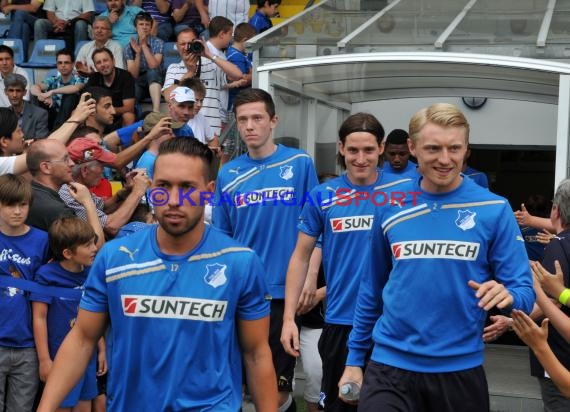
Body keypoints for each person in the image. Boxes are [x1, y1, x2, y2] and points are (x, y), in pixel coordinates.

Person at [37, 138, 278, 411]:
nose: (174, 200)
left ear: (209, 192)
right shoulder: (115, 257)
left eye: (187, 187)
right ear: (152, 190)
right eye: (164, 186)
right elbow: (82, 339)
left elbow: (257, 354)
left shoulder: (240, 262)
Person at [339, 103, 535, 412]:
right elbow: (371, 288)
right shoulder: (390, 204)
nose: (445, 159)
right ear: (413, 148)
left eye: (454, 148)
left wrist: (508, 295)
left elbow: (525, 293)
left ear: (466, 149)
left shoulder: (494, 209)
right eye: (433, 148)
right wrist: (353, 359)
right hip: (389, 366)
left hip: (459, 370)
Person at [281, 113, 412, 412]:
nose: (361, 158)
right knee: (342, 405)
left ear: (381, 148)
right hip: (341, 324)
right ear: (341, 148)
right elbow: (300, 256)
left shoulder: (406, 193)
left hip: (393, 324)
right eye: (353, 150)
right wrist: (289, 318)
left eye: (368, 150)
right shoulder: (323, 195)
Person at [214, 88, 319, 412]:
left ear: (273, 120)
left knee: (275, 390)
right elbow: (221, 238)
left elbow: (318, 229)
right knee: (240, 385)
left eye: (257, 118)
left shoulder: (300, 163)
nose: (249, 126)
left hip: (282, 295)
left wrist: (311, 277)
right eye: (243, 119)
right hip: (242, 294)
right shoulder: (228, 173)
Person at [31, 216, 106, 412]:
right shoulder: (46, 275)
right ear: (67, 252)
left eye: (93, 242)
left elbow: (94, 315)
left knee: (84, 406)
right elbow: (39, 318)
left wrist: (102, 349)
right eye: (88, 245)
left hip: (88, 356)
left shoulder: (91, 273)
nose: (94, 249)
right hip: (59, 357)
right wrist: (44, 359)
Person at [0, 173, 50, 412]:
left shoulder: (43, 240)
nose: (17, 211)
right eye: (10, 204)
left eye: (23, 205)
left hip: (28, 344)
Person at [59, 137, 151, 238]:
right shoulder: (69, 193)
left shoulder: (77, 186)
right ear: (85, 170)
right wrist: (137, 192)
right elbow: (111, 226)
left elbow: (102, 207)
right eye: (101, 165)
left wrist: (126, 190)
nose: (103, 170)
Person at [31, 48, 86, 130]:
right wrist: (42, 95)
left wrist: (52, 92)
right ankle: (39, 130)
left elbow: (76, 88)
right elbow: (34, 87)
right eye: (60, 63)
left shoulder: (80, 79)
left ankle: (57, 131)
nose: (63, 65)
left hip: (71, 117)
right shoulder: (54, 79)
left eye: (66, 62)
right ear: (57, 65)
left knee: (70, 96)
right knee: (35, 96)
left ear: (72, 64)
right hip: (54, 115)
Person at [124, 10, 164, 114]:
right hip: (139, 80)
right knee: (132, 86)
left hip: (157, 79)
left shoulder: (158, 42)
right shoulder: (129, 47)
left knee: (152, 72)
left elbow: (154, 65)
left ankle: (156, 111)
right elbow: (133, 75)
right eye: (141, 24)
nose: (144, 27)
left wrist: (144, 46)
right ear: (135, 27)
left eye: (147, 25)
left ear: (151, 27)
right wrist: (137, 53)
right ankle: (136, 116)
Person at [86, 48, 136, 127]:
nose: (103, 64)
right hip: (100, 118)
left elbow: (129, 108)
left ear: (113, 61)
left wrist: (106, 111)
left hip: (119, 116)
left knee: (128, 116)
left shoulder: (126, 76)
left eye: (105, 60)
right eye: (98, 62)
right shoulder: (93, 78)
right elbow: (87, 103)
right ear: (95, 66)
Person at [4, 73, 49, 141]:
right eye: (11, 90)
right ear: (5, 92)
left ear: (24, 92)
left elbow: (41, 142)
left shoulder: (40, 114)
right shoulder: (4, 115)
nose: (14, 95)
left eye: (18, 91)